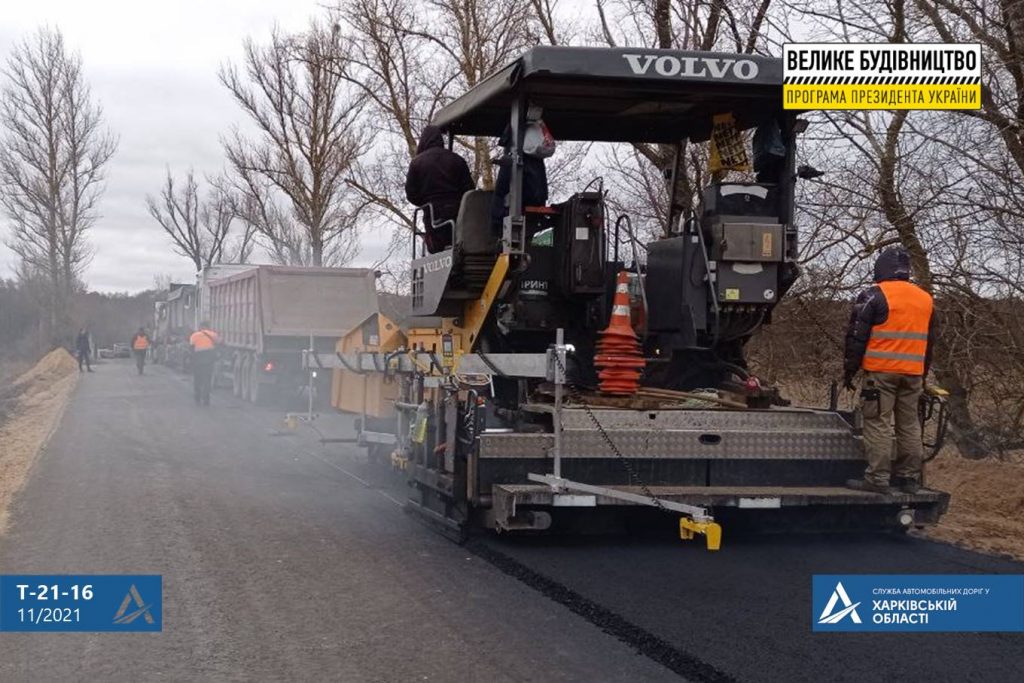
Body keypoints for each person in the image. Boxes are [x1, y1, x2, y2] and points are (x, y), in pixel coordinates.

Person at [843, 246, 935, 494]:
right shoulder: (925, 299)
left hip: (881, 374)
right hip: (913, 374)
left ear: (881, 268)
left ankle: (877, 479)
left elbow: (856, 338)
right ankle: (908, 479)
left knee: (878, 423)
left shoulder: (874, 295)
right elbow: (930, 343)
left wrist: (849, 371)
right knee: (909, 425)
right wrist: (922, 375)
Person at [404, 125, 475, 253]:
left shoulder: (417, 163)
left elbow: (411, 194)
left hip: (432, 213)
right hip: (457, 211)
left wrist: (425, 204)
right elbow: (469, 189)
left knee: (436, 248)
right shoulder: (458, 160)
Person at [491, 124, 549, 236]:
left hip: (515, 216)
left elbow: (500, 191)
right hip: (535, 217)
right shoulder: (538, 162)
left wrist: (495, 223)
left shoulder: (511, 159)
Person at [189, 321, 219, 406]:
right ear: (208, 327)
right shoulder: (213, 335)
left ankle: (197, 397)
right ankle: (206, 399)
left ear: (200, 327)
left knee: (197, 379)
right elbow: (219, 343)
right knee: (207, 380)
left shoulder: (194, 335)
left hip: (197, 360)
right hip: (209, 360)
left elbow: (191, 348)